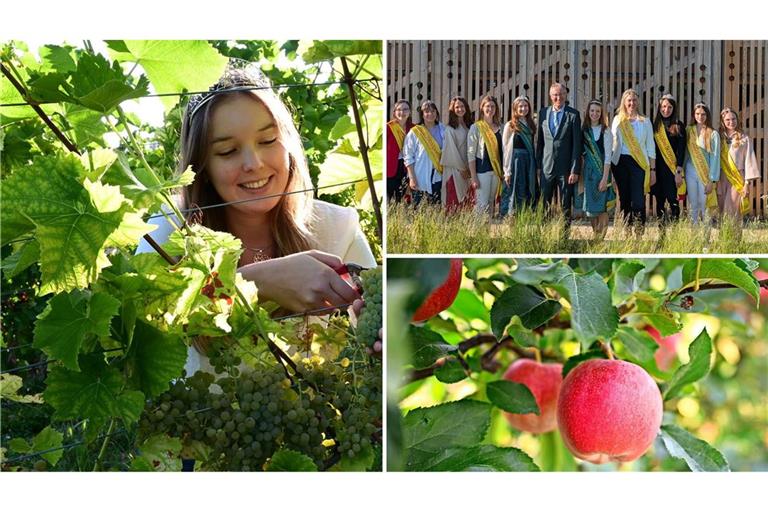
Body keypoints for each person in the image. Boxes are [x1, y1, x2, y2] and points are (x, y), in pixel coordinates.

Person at [135, 62, 376, 373]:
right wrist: (256, 283)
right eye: (228, 151)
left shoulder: (336, 228)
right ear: (202, 167)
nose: (254, 163)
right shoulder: (164, 233)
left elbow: (382, 320)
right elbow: (142, 328)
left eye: (267, 141)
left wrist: (380, 338)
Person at [536, 83, 582, 226]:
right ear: (550, 96)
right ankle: (543, 235)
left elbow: (577, 145)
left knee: (565, 204)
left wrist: (575, 170)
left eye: (561, 94)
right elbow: (540, 143)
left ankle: (564, 237)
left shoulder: (573, 114)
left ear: (565, 95)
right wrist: (539, 166)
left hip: (566, 169)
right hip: (546, 167)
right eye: (555, 94)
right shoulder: (543, 113)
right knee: (544, 204)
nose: (558, 97)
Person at [610, 88, 656, 230]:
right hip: (620, 163)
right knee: (624, 198)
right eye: (629, 100)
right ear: (624, 102)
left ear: (638, 102)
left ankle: (639, 230)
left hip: (639, 163)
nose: (632, 103)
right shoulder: (618, 119)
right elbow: (612, 143)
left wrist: (653, 169)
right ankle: (627, 230)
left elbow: (650, 146)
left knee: (638, 200)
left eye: (634, 100)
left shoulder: (645, 121)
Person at [579, 100, 615, 239]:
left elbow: (607, 156)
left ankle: (601, 239)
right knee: (591, 208)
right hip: (588, 173)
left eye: (598, 111)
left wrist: (605, 179)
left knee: (602, 207)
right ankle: (596, 237)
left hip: (602, 173)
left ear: (601, 114)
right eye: (592, 110)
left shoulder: (606, 131)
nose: (594, 113)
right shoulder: (584, 131)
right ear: (588, 112)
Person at [717, 107, 759, 220]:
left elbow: (749, 161)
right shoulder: (717, 138)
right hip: (721, 176)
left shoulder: (744, 138)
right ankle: (724, 237)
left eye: (734, 119)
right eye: (727, 120)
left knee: (732, 209)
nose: (731, 122)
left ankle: (734, 237)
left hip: (737, 177)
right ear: (722, 121)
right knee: (721, 210)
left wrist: (746, 184)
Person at [651, 94, 686, 224]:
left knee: (673, 202)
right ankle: (662, 235)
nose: (666, 109)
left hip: (672, 171)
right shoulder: (654, 125)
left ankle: (676, 235)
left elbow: (682, 151)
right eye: (664, 106)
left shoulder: (679, 126)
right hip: (657, 171)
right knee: (660, 203)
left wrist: (678, 172)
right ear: (659, 108)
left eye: (669, 107)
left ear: (674, 108)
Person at [683, 103, 720, 224]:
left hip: (705, 173)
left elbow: (715, 158)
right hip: (690, 171)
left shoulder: (713, 134)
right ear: (694, 115)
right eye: (697, 113)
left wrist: (712, 180)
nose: (700, 116)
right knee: (693, 203)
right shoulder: (688, 130)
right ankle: (694, 235)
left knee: (704, 204)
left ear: (707, 115)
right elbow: (685, 152)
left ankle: (705, 238)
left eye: (703, 114)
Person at [403, 100, 444, 206]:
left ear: (436, 113)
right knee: (419, 209)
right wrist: (412, 178)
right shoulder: (415, 132)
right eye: (427, 112)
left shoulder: (443, 129)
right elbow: (408, 156)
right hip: (420, 176)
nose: (430, 114)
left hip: (438, 175)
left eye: (433, 111)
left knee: (436, 208)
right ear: (422, 114)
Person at [468, 94, 504, 217]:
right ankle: (477, 232)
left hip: (496, 171)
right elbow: (471, 154)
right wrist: (473, 177)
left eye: (493, 106)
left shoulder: (501, 127)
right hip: (482, 171)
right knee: (481, 204)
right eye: (487, 106)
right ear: (482, 108)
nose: (490, 109)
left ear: (496, 109)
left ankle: (487, 233)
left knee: (491, 203)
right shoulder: (476, 127)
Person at [501, 95, 537, 216]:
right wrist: (507, 171)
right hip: (515, 162)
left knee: (528, 191)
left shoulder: (531, 125)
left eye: (525, 106)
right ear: (515, 108)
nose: (523, 108)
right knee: (516, 192)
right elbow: (505, 149)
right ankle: (512, 224)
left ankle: (525, 221)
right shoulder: (510, 125)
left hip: (529, 163)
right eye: (520, 106)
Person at [440, 96, 473, 212]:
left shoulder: (470, 126)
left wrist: (470, 168)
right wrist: (462, 169)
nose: (460, 109)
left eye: (462, 106)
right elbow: (450, 151)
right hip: (455, 169)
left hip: (469, 168)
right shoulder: (450, 129)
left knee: (468, 200)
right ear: (452, 110)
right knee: (455, 200)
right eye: (457, 107)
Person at [386, 99, 414, 203]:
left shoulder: (414, 128)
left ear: (410, 112)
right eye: (399, 109)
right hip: (392, 167)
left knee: (402, 198)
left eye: (405, 109)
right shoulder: (388, 128)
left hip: (408, 167)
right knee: (390, 198)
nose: (402, 112)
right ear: (394, 112)